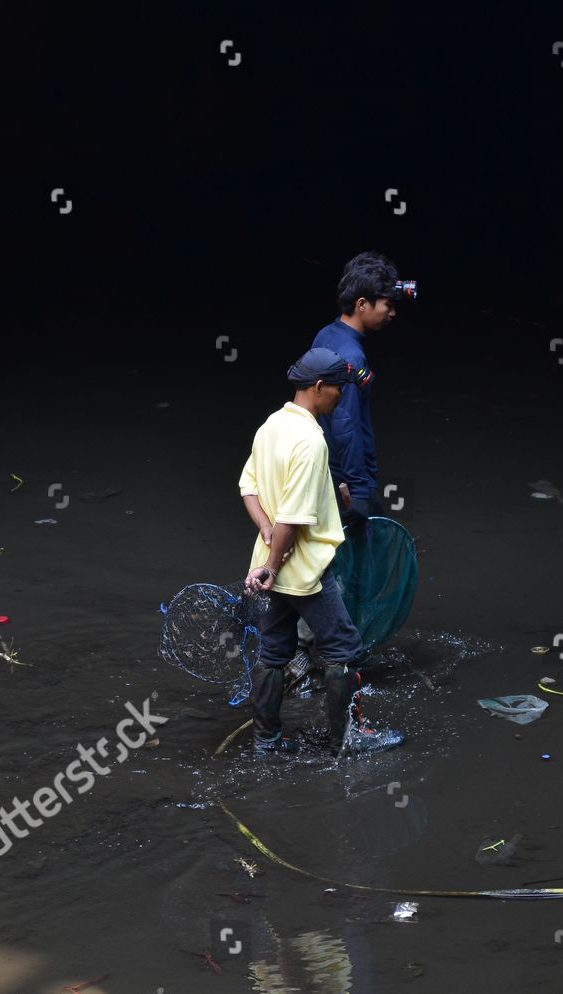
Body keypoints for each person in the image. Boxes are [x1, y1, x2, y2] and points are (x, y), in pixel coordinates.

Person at [238, 347, 404, 756]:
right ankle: (346, 740)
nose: (340, 398)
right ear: (318, 387)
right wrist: (276, 563)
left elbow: (250, 487)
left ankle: (266, 739)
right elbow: (293, 519)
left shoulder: (271, 426)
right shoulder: (312, 440)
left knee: (274, 649)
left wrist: (265, 540)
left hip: (270, 564)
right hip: (303, 571)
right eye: (337, 391)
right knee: (344, 649)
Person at [311, 251, 401, 527]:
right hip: (345, 481)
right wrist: (359, 492)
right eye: (388, 305)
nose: (392, 313)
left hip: (326, 469)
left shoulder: (326, 334)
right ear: (362, 304)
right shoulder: (352, 357)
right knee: (372, 557)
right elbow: (346, 425)